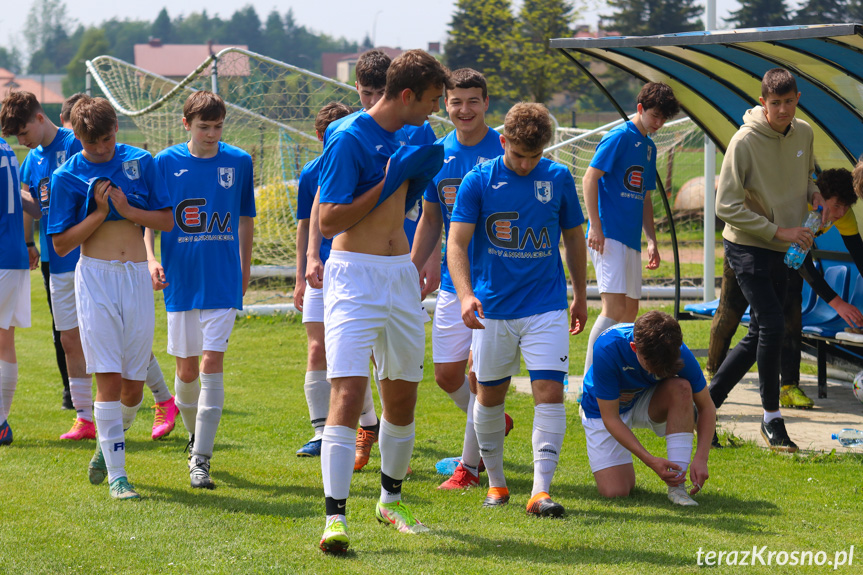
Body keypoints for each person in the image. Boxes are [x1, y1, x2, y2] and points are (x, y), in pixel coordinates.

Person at [315, 49, 451, 553]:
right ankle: (334, 518)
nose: (436, 111)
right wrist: (387, 180)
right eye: (433, 101)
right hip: (354, 276)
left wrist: (409, 185)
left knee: (402, 397)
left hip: (400, 276)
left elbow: (419, 198)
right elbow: (329, 221)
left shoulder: (417, 134)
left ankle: (390, 501)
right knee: (348, 394)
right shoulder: (349, 137)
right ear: (408, 95)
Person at [448, 102, 588, 517]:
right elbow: (455, 244)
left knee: (550, 392)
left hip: (546, 305)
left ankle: (540, 491)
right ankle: (496, 483)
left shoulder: (559, 177)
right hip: (493, 309)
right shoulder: (478, 180)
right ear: (503, 142)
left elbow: (575, 240)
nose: (526, 165)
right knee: (489, 396)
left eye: (535, 157)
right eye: (518, 155)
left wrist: (580, 293)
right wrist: (464, 294)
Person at [47, 96, 174, 499]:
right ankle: (119, 477)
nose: (101, 149)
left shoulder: (141, 161)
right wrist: (99, 214)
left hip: (136, 276)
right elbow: (62, 245)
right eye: (91, 143)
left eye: (106, 139)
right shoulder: (68, 174)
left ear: (116, 128)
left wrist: (128, 210)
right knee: (108, 376)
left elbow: (168, 219)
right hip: (96, 278)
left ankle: (108, 444)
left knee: (134, 388)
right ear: (78, 137)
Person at [145, 91, 255, 489]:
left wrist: (245, 268)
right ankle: (195, 439)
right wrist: (151, 259)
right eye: (203, 126)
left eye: (218, 126)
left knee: (211, 365)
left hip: (222, 280)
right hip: (181, 280)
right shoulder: (164, 163)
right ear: (186, 124)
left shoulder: (239, 162)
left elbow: (245, 219)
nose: (211, 134)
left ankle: (201, 460)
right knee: (186, 371)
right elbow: (152, 220)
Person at [411, 68, 512, 490]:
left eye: (473, 101)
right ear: (445, 105)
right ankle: (492, 420)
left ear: (486, 103)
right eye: (455, 101)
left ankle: (468, 470)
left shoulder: (505, 149)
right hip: (455, 284)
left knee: (477, 376)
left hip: (496, 285)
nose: (464, 109)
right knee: (446, 375)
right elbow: (431, 218)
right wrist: (411, 268)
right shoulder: (438, 153)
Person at [709, 68, 820, 453]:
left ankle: (704, 406)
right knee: (772, 325)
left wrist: (815, 194)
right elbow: (725, 205)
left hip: (785, 249)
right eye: (776, 104)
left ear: (798, 99)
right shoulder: (743, 141)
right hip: (748, 246)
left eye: (789, 102)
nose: (783, 110)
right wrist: (778, 231)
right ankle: (772, 419)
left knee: (760, 332)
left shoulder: (805, 132)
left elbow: (805, 177)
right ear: (763, 103)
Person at [707, 167, 863, 420]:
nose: (840, 214)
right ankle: (711, 376)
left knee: (787, 317)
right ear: (820, 197)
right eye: (836, 206)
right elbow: (804, 263)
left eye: (847, 207)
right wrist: (838, 303)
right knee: (730, 314)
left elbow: (857, 254)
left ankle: (787, 386)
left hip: (785, 257)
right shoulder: (802, 204)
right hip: (746, 250)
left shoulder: (842, 215)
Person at [1, 91, 92, 440]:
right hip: (55, 260)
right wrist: (28, 242)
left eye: (24, 133)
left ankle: (162, 397)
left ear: (40, 118)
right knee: (67, 338)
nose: (22, 141)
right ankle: (84, 416)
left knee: (108, 333)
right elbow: (35, 207)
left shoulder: (73, 144)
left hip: (86, 256)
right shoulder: (30, 159)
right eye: (17, 138)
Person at [582, 83, 680, 374]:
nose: (659, 123)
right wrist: (595, 227)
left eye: (664, 119)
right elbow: (589, 179)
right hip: (608, 236)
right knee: (612, 311)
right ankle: (590, 381)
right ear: (640, 109)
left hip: (631, 240)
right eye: (655, 116)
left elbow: (645, 196)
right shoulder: (618, 137)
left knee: (630, 313)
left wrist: (651, 239)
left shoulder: (649, 147)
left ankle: (614, 372)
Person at [581, 310, 715, 506]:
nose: (660, 371)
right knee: (616, 492)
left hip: (643, 399)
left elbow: (707, 407)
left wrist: (702, 458)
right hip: (604, 410)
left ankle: (678, 489)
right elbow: (610, 418)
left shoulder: (677, 351)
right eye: (653, 366)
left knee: (682, 388)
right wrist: (650, 460)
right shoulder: (607, 347)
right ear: (634, 348)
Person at [292, 101, 351, 457]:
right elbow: (304, 226)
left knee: (366, 353)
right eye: (330, 134)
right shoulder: (312, 172)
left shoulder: (362, 167)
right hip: (318, 272)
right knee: (317, 347)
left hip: (353, 271)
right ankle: (320, 431)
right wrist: (300, 275)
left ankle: (369, 427)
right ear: (319, 136)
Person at [0, 135, 41, 446]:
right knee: (5, 341)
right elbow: (28, 202)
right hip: (12, 254)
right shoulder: (5, 146)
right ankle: (1, 421)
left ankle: (1, 422)